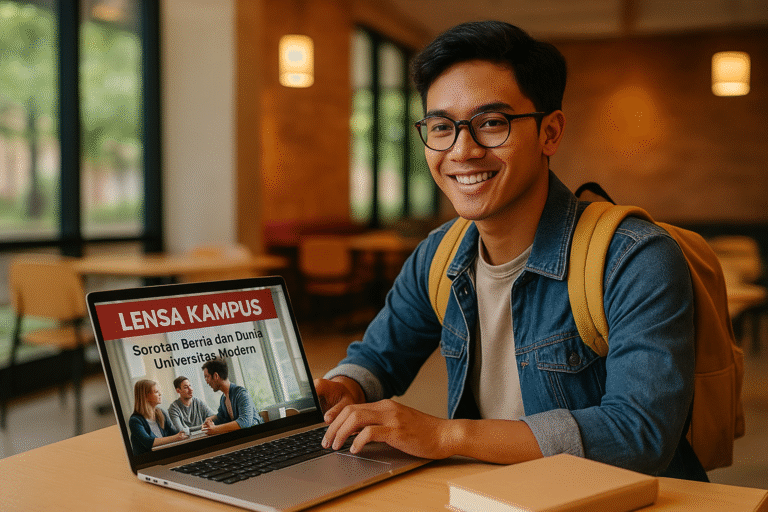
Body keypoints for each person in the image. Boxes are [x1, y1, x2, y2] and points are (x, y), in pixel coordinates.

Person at [316, 20, 706, 481]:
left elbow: (639, 434)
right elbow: (379, 358)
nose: (462, 150)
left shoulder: (634, 259)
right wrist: (343, 389)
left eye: (492, 123)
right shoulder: (439, 254)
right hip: (497, 495)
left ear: (550, 133)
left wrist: (448, 436)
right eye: (442, 127)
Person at [201, 359, 261, 435]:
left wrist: (215, 429)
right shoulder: (223, 398)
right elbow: (221, 417)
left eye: (207, 377)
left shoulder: (241, 393)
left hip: (256, 436)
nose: (206, 381)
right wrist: (210, 420)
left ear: (216, 376)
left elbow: (245, 422)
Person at [128, 379, 187, 455]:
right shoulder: (135, 421)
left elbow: (175, 433)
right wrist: (176, 437)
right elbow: (148, 442)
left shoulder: (161, 413)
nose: (160, 394)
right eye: (156, 392)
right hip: (148, 463)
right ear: (145, 396)